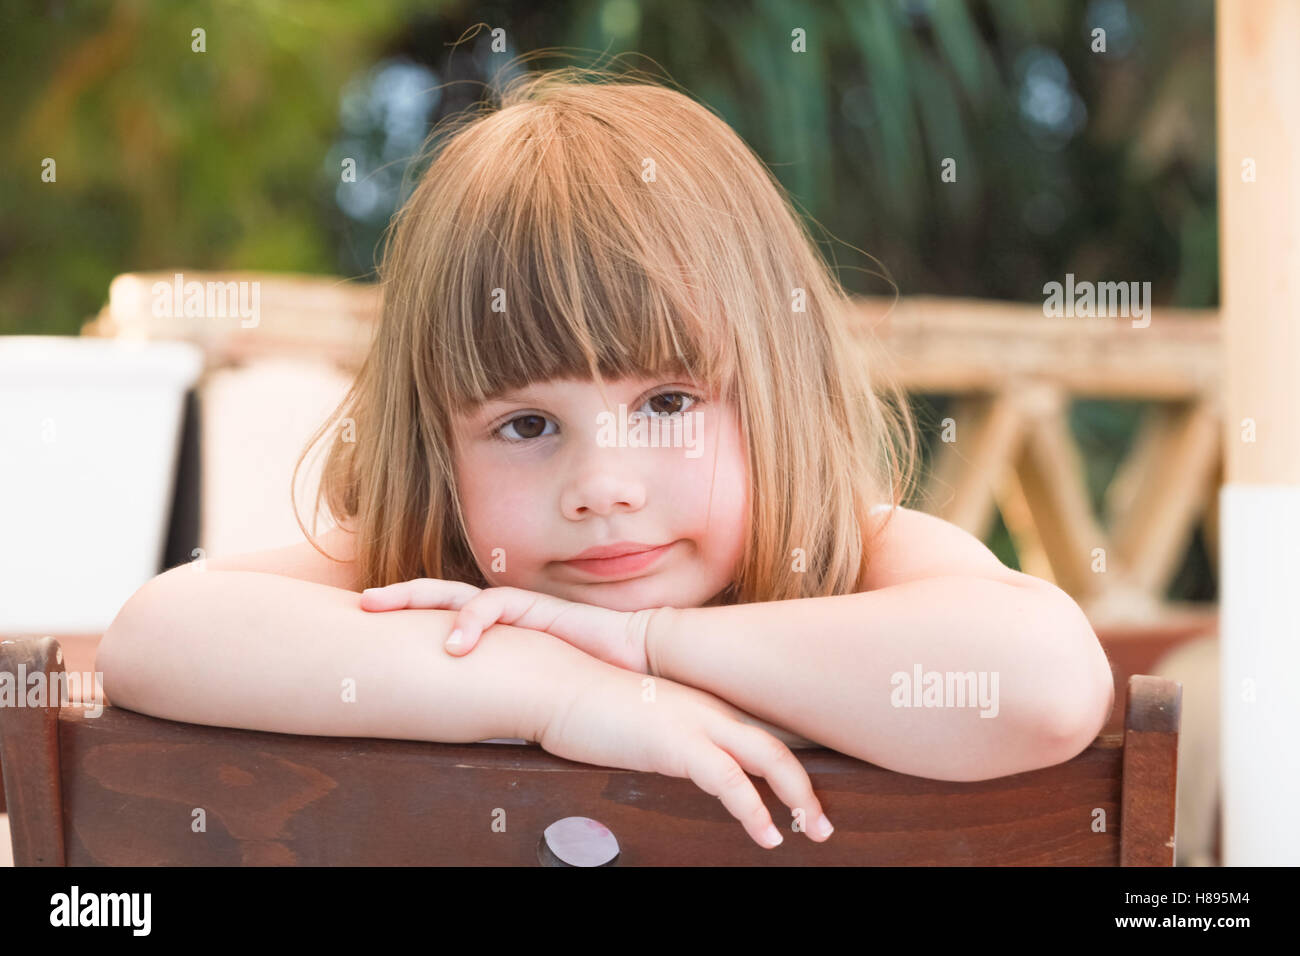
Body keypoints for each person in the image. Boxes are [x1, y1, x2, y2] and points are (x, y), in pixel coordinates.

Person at [98, 67, 1114, 852]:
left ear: (774, 392)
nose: (602, 488)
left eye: (668, 401)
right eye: (527, 425)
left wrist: (652, 646)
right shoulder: (437, 568)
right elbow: (156, 631)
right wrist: (561, 692)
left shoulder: (857, 556)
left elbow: (1046, 681)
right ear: (437, 444)